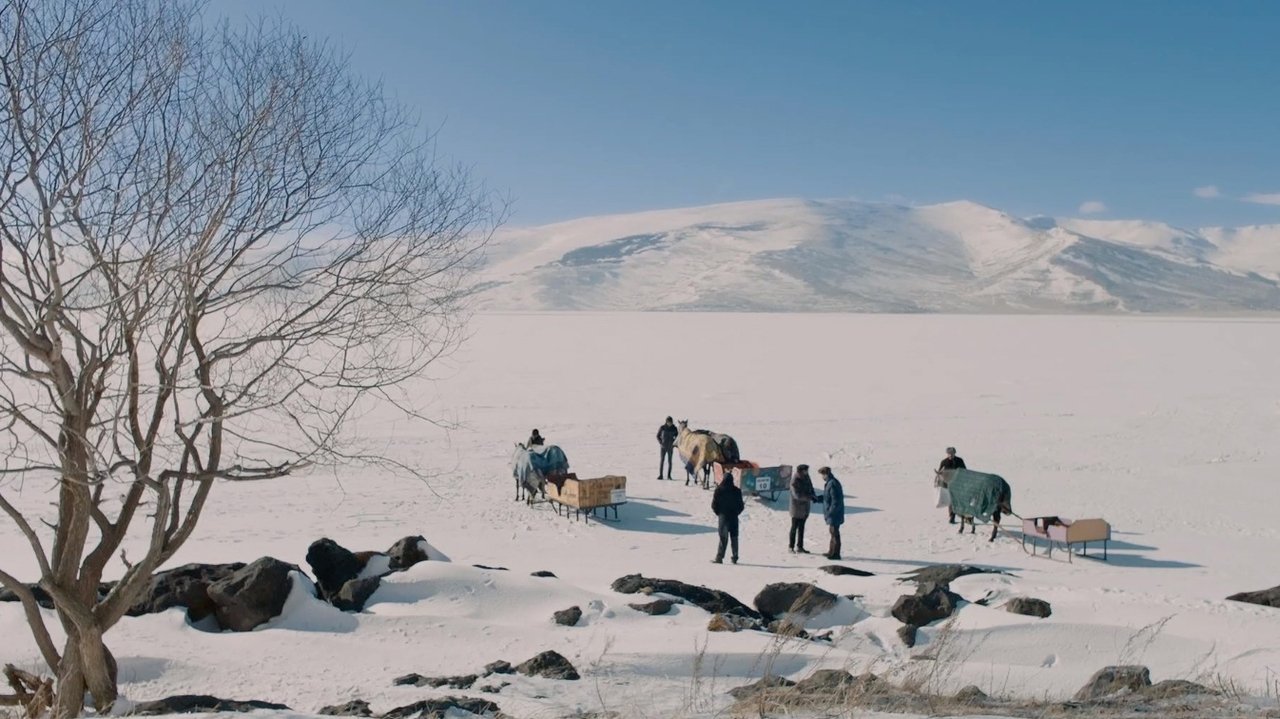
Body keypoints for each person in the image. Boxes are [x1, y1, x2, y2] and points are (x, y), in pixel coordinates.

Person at [711, 468, 744, 564]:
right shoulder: (737, 491)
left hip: (723, 518)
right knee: (734, 537)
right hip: (734, 517)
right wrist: (736, 512)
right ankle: (735, 557)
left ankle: (719, 557)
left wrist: (719, 513)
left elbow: (714, 505)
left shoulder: (718, 490)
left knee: (723, 538)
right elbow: (741, 506)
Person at [788, 464, 818, 553]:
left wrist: (814, 496)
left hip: (805, 508)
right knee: (794, 527)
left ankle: (800, 546)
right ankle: (791, 546)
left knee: (802, 528)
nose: (807, 472)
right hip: (796, 508)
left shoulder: (806, 477)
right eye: (805, 470)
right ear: (801, 471)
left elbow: (811, 487)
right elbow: (796, 495)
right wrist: (809, 497)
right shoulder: (795, 480)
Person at [819, 466, 844, 560]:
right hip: (833, 514)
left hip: (834, 514)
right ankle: (831, 551)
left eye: (822, 475)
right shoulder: (830, 482)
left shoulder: (832, 483)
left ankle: (836, 553)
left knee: (835, 533)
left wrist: (830, 512)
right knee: (832, 532)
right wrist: (818, 498)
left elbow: (835, 501)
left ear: (826, 474)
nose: (822, 477)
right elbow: (827, 497)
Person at [938, 447, 965, 524]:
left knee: (958, 500)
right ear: (947, 454)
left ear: (954, 453)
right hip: (948, 484)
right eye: (949, 454)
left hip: (958, 484)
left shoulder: (959, 460)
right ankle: (952, 516)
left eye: (952, 454)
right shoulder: (944, 462)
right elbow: (940, 473)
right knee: (951, 500)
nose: (950, 455)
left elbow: (964, 471)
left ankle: (962, 516)